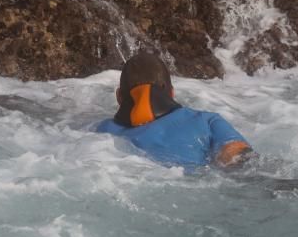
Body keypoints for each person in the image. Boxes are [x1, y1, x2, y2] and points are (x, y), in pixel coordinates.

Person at [96, 52, 253, 168]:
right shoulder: (207, 121)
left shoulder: (103, 130)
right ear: (171, 93)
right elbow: (237, 157)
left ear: (119, 96)